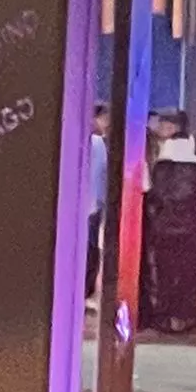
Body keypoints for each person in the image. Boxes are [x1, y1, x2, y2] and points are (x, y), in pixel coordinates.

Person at [145, 134, 196, 332]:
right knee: (187, 276)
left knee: (165, 275)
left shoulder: (160, 169)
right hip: (191, 231)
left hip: (164, 230)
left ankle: (164, 316)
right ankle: (184, 316)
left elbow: (153, 198)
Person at [86, 104, 110, 302]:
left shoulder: (88, 143)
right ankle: (88, 287)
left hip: (89, 202)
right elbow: (100, 174)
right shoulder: (97, 143)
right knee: (91, 248)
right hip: (93, 203)